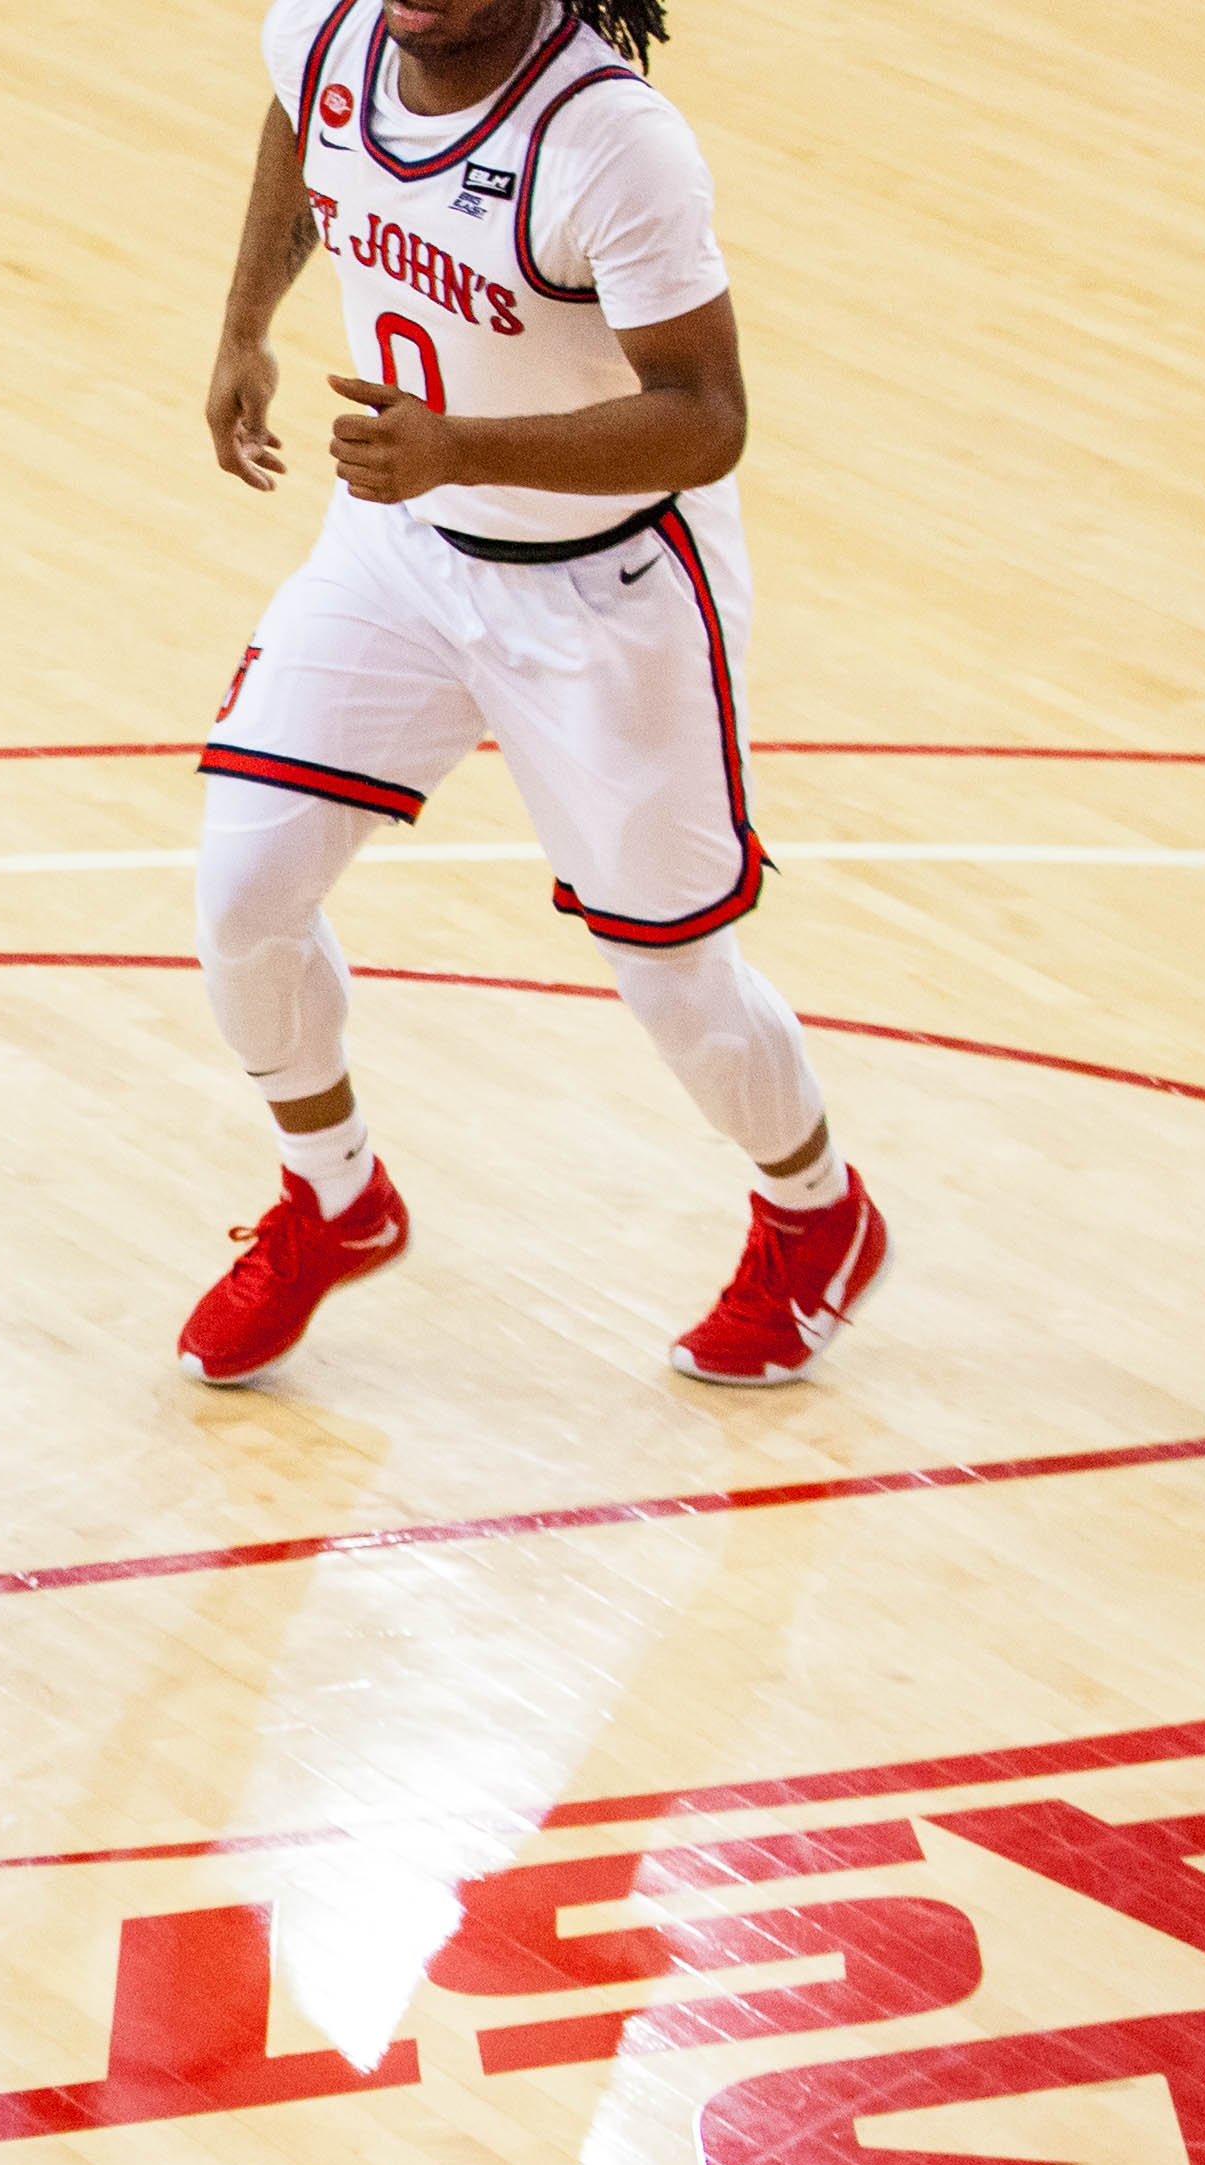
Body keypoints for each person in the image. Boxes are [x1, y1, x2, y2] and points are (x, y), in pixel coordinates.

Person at [177, 0, 887, 1390]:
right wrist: (244, 324)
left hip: (607, 585)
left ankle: (816, 1216)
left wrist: (463, 448)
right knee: (242, 895)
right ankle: (332, 1197)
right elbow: (300, 130)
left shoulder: (610, 143)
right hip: (397, 549)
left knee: (673, 980)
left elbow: (704, 414)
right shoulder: (325, 32)